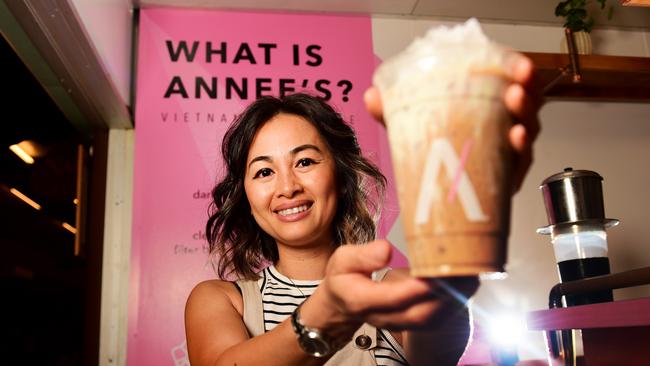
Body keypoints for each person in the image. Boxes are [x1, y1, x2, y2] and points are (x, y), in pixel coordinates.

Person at [185, 54, 542, 366]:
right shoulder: (221, 300)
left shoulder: (393, 288)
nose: (287, 186)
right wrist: (329, 310)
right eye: (264, 171)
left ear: (340, 178)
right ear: (246, 196)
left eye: (305, 161)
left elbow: (437, 350)